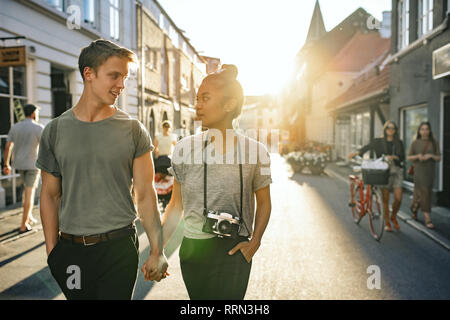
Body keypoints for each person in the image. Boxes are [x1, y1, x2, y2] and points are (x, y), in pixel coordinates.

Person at [36, 39, 168, 300]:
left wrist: (157, 250)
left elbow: (145, 193)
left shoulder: (133, 130)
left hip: (118, 249)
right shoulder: (55, 130)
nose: (121, 84)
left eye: (125, 77)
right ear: (89, 74)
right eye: (114, 76)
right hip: (71, 252)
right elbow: (50, 195)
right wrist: (53, 252)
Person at [162, 64, 272, 300]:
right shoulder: (184, 148)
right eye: (197, 98)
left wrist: (255, 243)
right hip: (193, 249)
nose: (197, 105)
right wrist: (157, 250)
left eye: (205, 98)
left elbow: (264, 203)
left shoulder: (255, 151)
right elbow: (175, 205)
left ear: (229, 104)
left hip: (235, 250)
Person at [348, 120, 405, 232]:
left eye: (393, 128)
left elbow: (402, 157)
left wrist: (393, 157)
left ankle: (393, 216)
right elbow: (366, 148)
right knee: (385, 199)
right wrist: (356, 153)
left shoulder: (399, 143)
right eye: (388, 128)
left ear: (395, 130)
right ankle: (387, 222)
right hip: (383, 171)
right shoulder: (378, 141)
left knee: (398, 198)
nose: (390, 130)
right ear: (385, 129)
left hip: (396, 171)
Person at [3, 104, 44, 233]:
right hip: (33, 165)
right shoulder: (38, 128)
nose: (37, 115)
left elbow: (8, 146)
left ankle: (29, 216)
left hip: (19, 165)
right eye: (36, 113)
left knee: (26, 192)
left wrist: (6, 164)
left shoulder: (15, 127)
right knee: (29, 194)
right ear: (32, 113)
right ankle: (23, 225)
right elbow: (46, 147)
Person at [407, 122, 441, 229]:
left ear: (430, 130)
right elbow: (409, 157)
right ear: (419, 131)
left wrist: (430, 155)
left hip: (430, 171)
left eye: (426, 129)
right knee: (424, 192)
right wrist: (418, 156)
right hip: (419, 171)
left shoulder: (434, 142)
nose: (424, 131)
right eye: (422, 129)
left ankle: (414, 208)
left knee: (421, 193)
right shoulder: (415, 143)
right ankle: (427, 218)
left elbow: (439, 158)